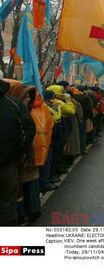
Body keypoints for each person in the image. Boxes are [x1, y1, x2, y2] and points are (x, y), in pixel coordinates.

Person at [0, 79, 36, 226]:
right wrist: (17, 152)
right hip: (6, 163)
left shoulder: (14, 103)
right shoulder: (13, 104)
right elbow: (28, 130)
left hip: (7, 162)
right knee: (7, 203)